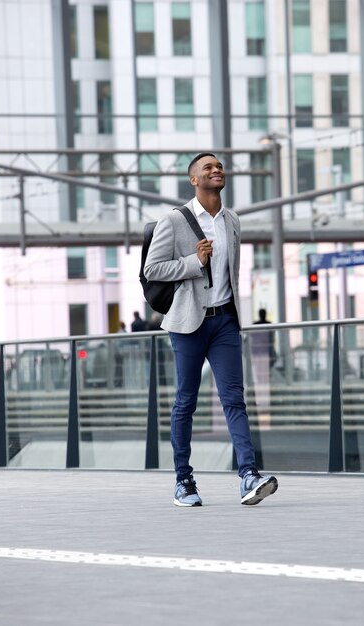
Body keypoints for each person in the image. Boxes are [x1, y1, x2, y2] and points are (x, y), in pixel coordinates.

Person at [144, 152, 278, 507]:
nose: (217, 170)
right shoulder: (173, 221)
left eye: (219, 166)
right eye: (208, 168)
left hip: (225, 322)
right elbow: (152, 269)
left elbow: (231, 274)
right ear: (194, 179)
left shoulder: (231, 220)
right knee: (185, 402)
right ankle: (183, 481)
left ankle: (249, 475)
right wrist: (194, 262)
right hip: (188, 323)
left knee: (234, 399)